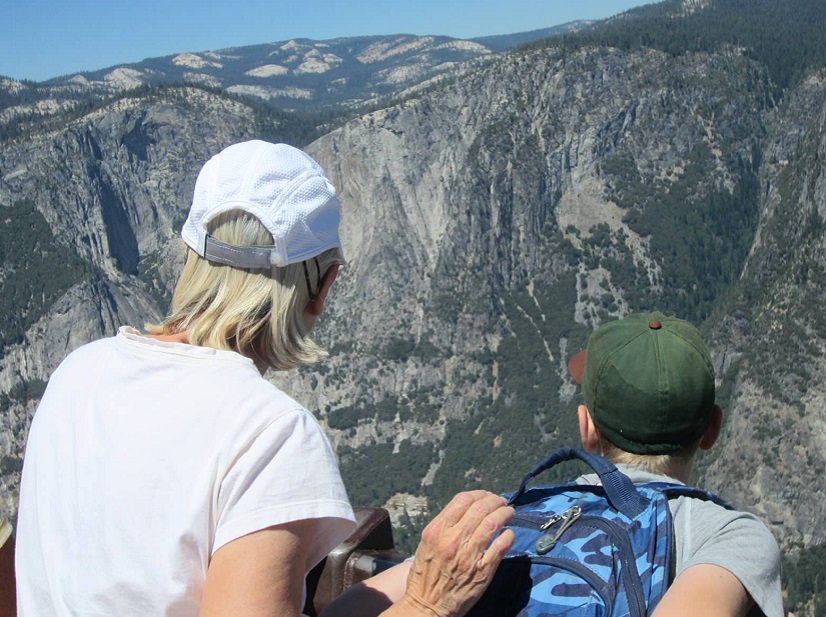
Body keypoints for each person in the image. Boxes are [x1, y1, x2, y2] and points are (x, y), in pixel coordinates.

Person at [15, 140, 514, 617]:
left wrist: (414, 574)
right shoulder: (268, 434)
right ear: (323, 286)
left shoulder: (78, 371)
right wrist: (428, 606)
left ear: (187, 255)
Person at [324, 312, 784, 617]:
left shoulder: (499, 521)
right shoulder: (730, 538)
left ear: (586, 427)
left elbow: (343, 611)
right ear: (712, 430)